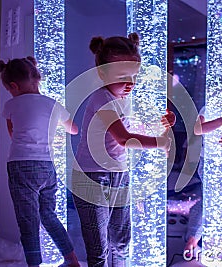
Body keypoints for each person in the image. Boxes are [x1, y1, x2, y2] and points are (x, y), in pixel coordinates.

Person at [71, 33, 175, 267]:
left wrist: (163, 123)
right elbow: (125, 138)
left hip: (120, 175)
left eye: (134, 76)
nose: (130, 83)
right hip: (91, 177)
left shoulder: (124, 99)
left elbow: (135, 128)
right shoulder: (101, 98)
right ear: (102, 73)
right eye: (122, 76)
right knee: (99, 247)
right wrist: (161, 143)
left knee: (121, 241)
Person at [0, 56, 80, 267]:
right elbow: (74, 129)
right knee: (48, 215)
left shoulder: (12, 104)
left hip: (21, 165)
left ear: (13, 86)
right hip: (47, 167)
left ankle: (34, 264)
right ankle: (72, 260)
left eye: (9, 89)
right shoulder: (52, 104)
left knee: (28, 220)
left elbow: (13, 134)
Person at [184, 74, 222, 255]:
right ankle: (193, 239)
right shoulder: (209, 108)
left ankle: (201, 239)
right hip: (208, 162)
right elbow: (197, 129)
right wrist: (220, 121)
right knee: (211, 201)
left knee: (217, 202)